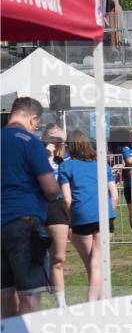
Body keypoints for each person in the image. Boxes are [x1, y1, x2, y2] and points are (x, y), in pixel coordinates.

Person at [1, 97, 62, 317]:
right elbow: (51, 188)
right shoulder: (29, 141)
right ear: (32, 118)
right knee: (29, 294)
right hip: (24, 223)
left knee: (4, 295)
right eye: (36, 125)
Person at [59, 131, 118, 302]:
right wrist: (109, 212)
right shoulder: (102, 165)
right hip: (105, 216)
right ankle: (97, 301)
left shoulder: (65, 167)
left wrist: (69, 220)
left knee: (92, 264)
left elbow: (67, 199)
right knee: (97, 263)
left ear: (70, 146)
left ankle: (93, 302)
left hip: (80, 217)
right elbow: (114, 194)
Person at [42, 124, 71, 308]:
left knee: (58, 258)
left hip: (57, 208)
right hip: (36, 207)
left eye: (59, 139)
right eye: (52, 138)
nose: (55, 142)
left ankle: (61, 304)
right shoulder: (36, 156)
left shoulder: (66, 160)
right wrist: (47, 157)